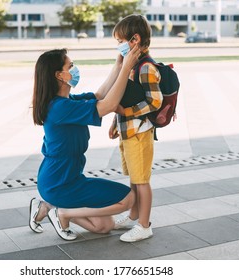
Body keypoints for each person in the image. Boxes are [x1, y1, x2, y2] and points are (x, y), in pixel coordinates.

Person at [29, 46, 141, 241]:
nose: (74, 69)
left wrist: (119, 65)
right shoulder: (60, 108)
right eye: (70, 66)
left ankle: (48, 206)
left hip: (67, 180)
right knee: (128, 198)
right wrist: (126, 69)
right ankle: (63, 213)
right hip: (60, 183)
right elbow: (108, 105)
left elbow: (99, 96)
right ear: (60, 75)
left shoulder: (66, 101)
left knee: (103, 226)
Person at [109, 14, 163, 242]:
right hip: (129, 131)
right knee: (134, 177)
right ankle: (133, 215)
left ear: (135, 39)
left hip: (140, 132)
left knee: (142, 181)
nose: (118, 46)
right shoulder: (132, 66)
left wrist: (126, 114)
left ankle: (144, 224)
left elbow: (155, 101)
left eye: (121, 41)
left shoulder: (145, 68)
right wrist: (115, 122)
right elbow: (125, 96)